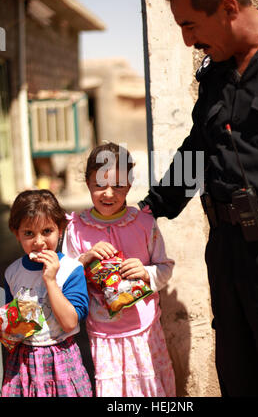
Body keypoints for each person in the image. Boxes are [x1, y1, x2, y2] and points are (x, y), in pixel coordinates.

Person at [139, 0, 258, 397]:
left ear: (229, 7)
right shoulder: (215, 73)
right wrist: (150, 210)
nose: (189, 40)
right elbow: (200, 149)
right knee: (239, 378)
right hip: (229, 254)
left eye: (191, 25)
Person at [62, 142, 176, 397]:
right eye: (100, 185)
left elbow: (165, 268)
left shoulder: (144, 223)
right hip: (104, 334)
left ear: (130, 183)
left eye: (118, 185)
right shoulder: (76, 228)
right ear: (88, 183)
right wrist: (85, 259)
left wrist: (147, 272)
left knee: (152, 390)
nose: (109, 194)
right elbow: (64, 277)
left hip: (145, 330)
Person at [1, 189, 92, 397]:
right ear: (16, 234)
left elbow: (70, 323)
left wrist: (50, 280)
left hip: (60, 357)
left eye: (47, 231)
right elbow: (10, 326)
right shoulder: (13, 272)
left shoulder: (71, 270)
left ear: (60, 229)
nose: (39, 241)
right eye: (29, 233)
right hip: (23, 362)